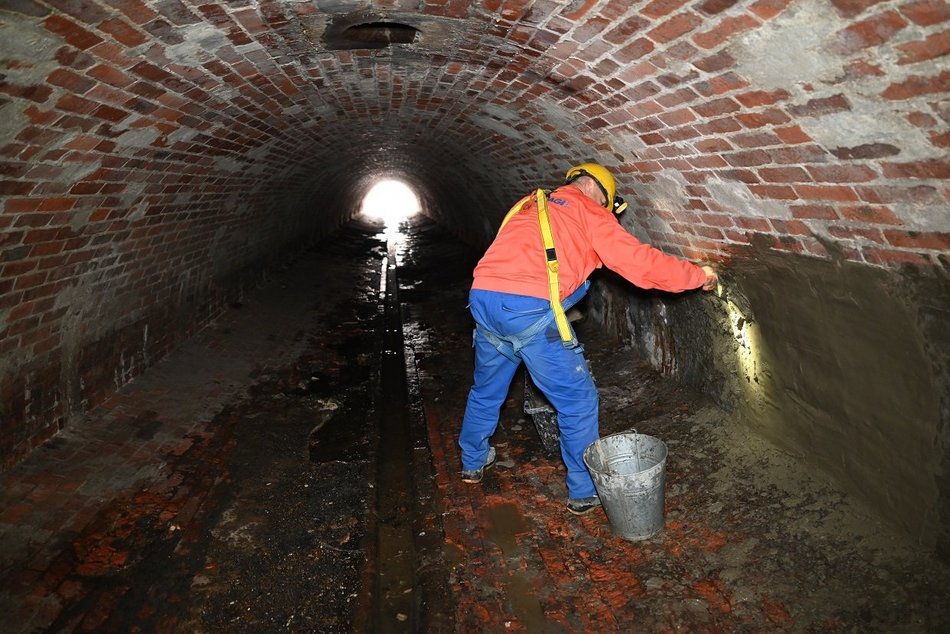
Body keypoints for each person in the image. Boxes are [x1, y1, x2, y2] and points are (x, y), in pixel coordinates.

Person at [458, 163, 718, 515]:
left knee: (486, 390)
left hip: (484, 299)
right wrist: (696, 276)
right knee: (577, 401)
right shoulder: (590, 212)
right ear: (603, 196)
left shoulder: (530, 203)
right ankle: (583, 491)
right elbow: (641, 265)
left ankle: (472, 460)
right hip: (530, 311)